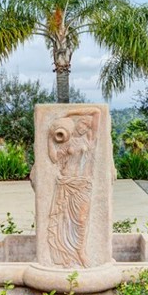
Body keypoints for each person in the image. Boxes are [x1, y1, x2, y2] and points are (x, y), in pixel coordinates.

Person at [46, 107, 100, 268]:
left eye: (87, 126)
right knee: (63, 220)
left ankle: (81, 251)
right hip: (66, 183)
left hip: (82, 184)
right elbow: (54, 158)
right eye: (82, 123)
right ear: (76, 124)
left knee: (82, 219)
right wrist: (49, 139)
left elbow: (96, 112)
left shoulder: (89, 139)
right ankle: (67, 256)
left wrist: (68, 113)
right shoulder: (67, 141)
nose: (84, 128)